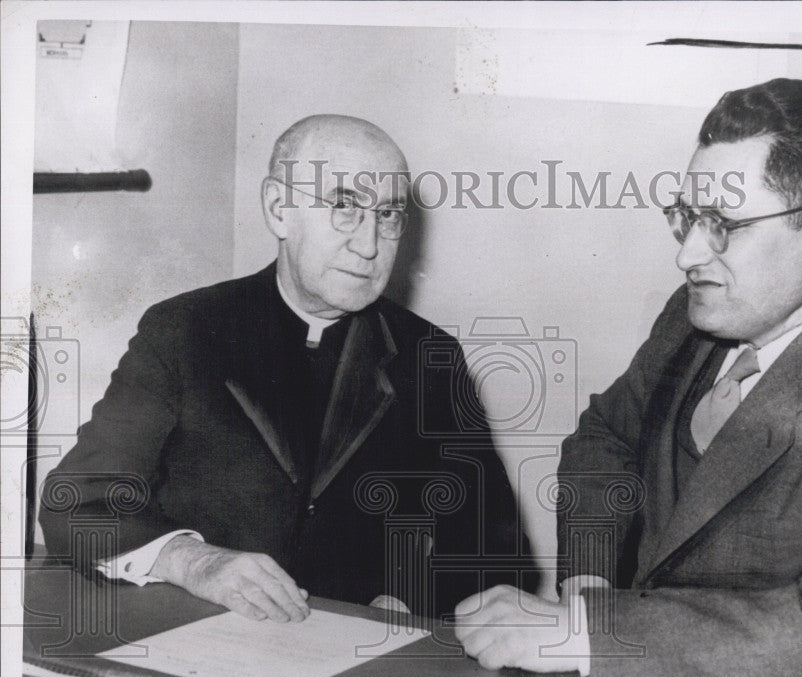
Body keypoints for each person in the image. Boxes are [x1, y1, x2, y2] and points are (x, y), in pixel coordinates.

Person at [454, 79, 802, 677]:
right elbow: (605, 440)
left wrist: (585, 635)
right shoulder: (701, 314)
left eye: (724, 225)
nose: (688, 254)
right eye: (687, 217)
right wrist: (588, 582)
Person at [40, 115, 535, 622]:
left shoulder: (430, 355)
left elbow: (499, 554)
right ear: (279, 209)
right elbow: (75, 505)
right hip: (201, 641)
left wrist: (407, 600)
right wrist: (194, 562)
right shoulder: (185, 330)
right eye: (343, 207)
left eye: (387, 215)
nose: (369, 245)